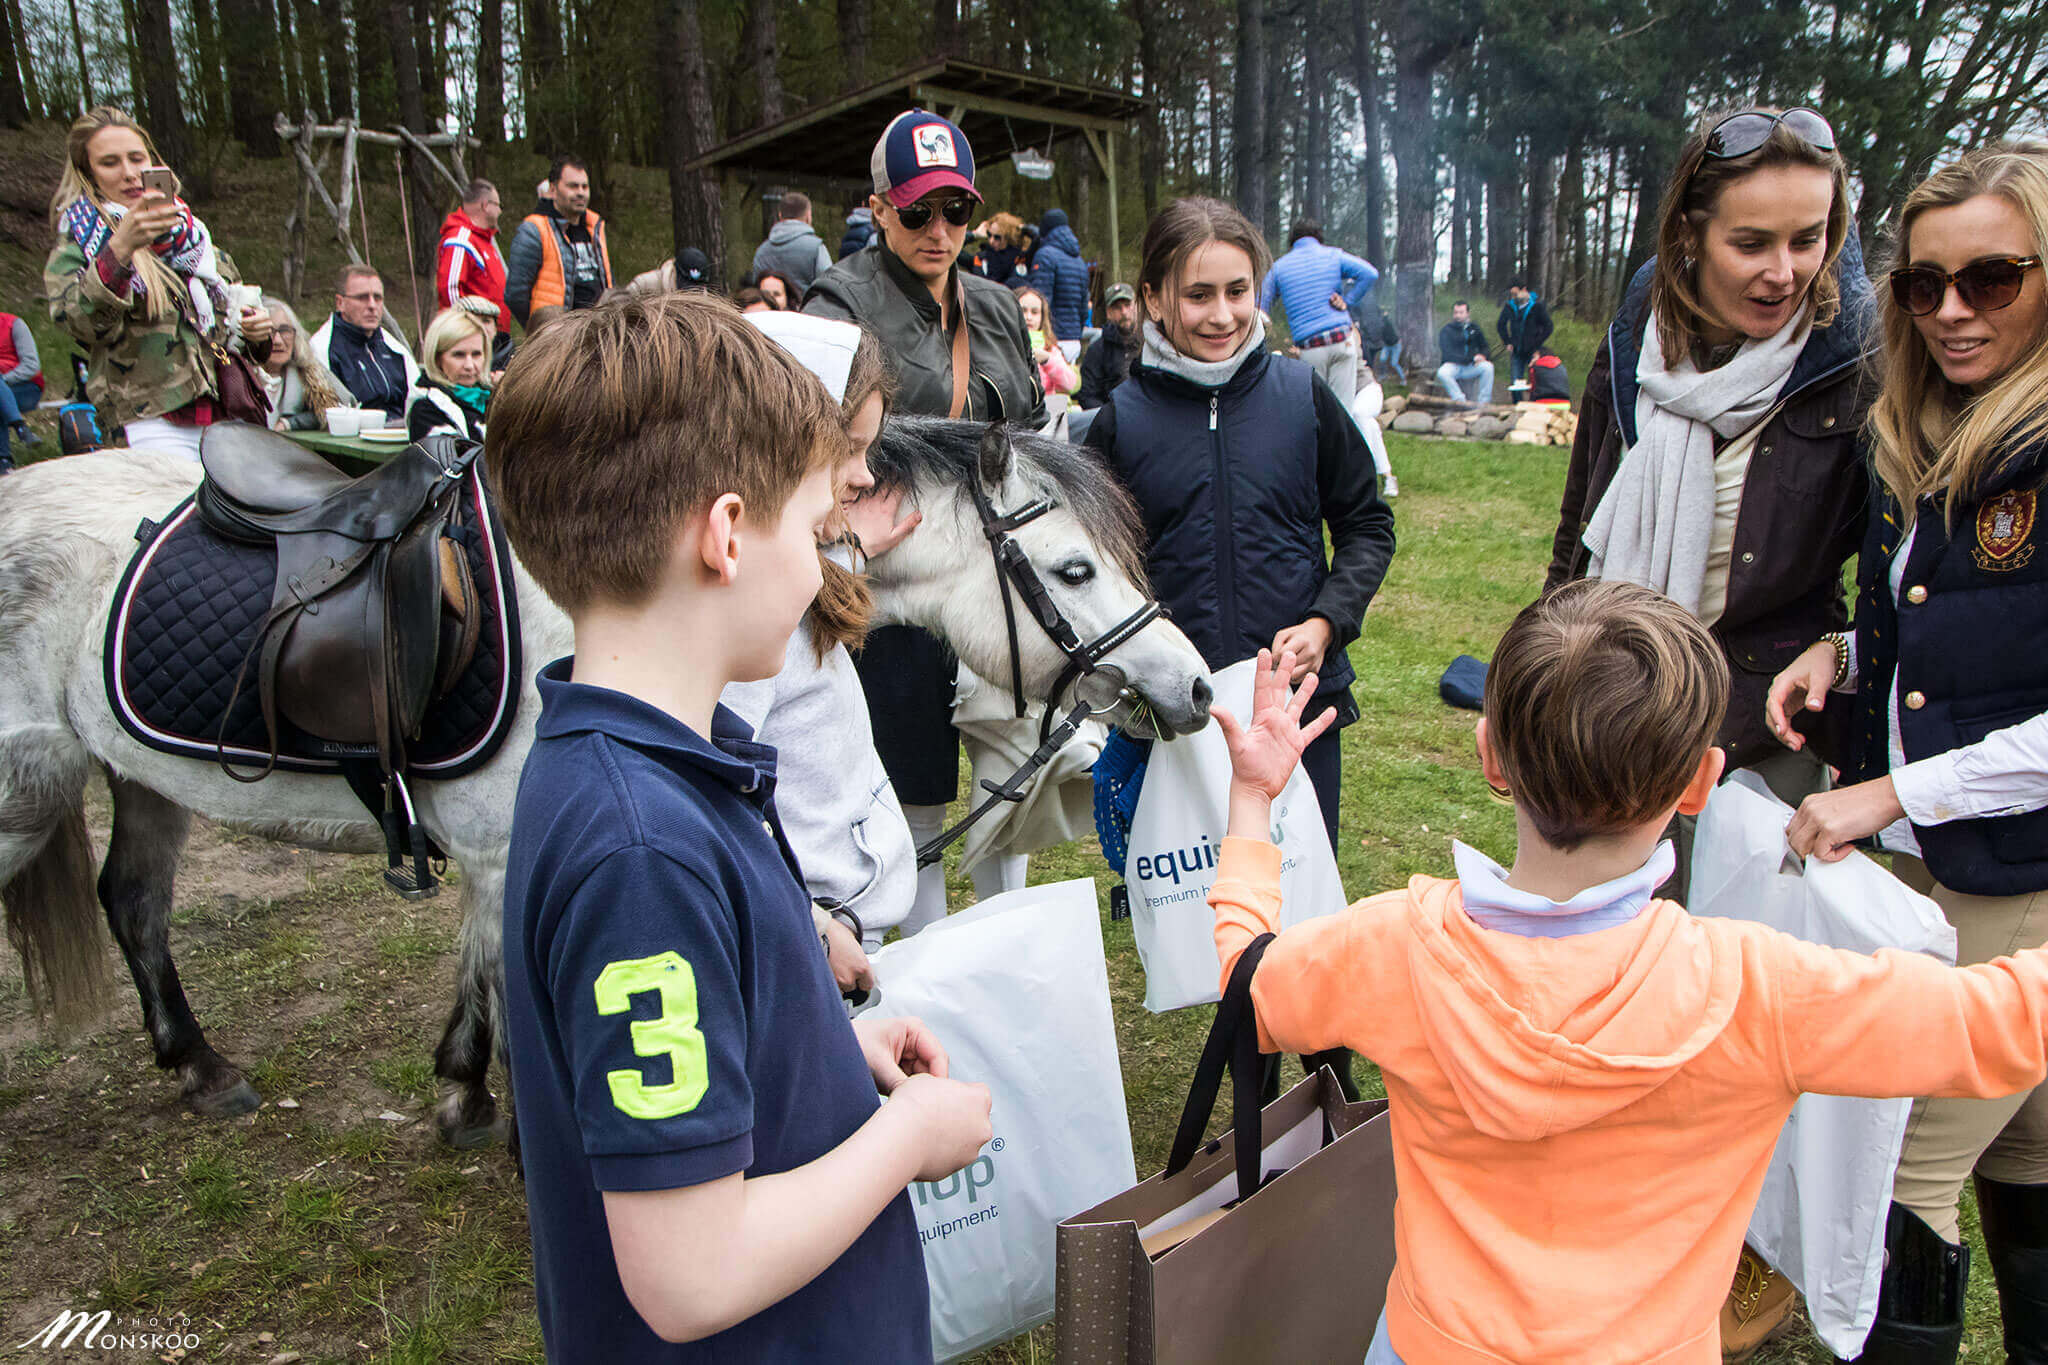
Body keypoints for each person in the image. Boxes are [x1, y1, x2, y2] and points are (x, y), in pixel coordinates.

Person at [1205, 578, 2048, 1365]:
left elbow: (1249, 975)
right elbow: (2005, 1019)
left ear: (1491, 758)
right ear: (1699, 785)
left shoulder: (1388, 944)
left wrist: (1253, 795)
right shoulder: (1764, 988)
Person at [489, 290, 992, 1362]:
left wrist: (819, 1048)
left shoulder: (644, 764)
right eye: (816, 529)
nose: (824, 565)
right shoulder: (639, 853)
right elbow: (689, 1272)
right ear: (725, 535)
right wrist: (904, 1139)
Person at [1763, 142, 2048, 1362]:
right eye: (1923, 285)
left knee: (1899, 1168)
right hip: (1946, 865)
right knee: (2027, 1150)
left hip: (2019, 874)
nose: (1947, 311)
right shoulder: (1922, 429)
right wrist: (1843, 644)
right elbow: (1944, 618)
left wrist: (1888, 790)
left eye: (1990, 279)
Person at [1084, 195, 1395, 1099]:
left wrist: (1328, 617)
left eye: (1238, 291)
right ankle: (1253, 1106)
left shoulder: (1302, 396)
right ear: (1151, 298)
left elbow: (1367, 523)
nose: (1221, 315)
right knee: (1223, 918)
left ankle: (1330, 1091)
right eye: (1197, 295)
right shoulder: (1122, 421)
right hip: (1185, 721)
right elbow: (1104, 574)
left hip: (1295, 715)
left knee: (1304, 911)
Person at [1547, 105, 1874, 905]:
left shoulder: (1858, 358)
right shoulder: (1637, 333)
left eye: (1809, 239)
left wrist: (1841, 648)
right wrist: (1547, 683)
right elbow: (1577, 528)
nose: (1787, 271)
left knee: (1744, 976)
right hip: (1616, 706)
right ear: (1691, 233)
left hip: (1764, 731)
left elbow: (1902, 575)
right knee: (1612, 955)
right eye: (1752, 242)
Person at [805, 108, 1046, 931]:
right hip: (897, 577)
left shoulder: (996, 306)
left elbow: (1033, 427)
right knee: (912, 784)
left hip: (996, 574)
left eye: (956, 210)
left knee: (1008, 766)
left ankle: (1005, 940)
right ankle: (928, 954)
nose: (938, 230)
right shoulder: (837, 302)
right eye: (916, 212)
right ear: (878, 209)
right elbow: (812, 447)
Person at [724, 313, 923, 990]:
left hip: (835, 938)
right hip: (809, 953)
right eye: (852, 448)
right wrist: (809, 921)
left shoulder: (798, 569)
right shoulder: (751, 610)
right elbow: (716, 790)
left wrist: (846, 546)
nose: (866, 475)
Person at [44, 105, 274, 461]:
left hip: (225, 414)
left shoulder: (195, 239)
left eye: (137, 158)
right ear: (88, 172)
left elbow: (232, 331)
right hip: (148, 421)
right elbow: (77, 323)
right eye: (110, 163)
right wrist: (120, 249)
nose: (130, 173)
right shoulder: (80, 238)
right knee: (177, 517)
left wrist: (258, 335)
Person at [1260, 219, 1378, 407]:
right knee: (1343, 411)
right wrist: (1347, 300)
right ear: (1319, 238)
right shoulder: (1333, 256)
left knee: (1318, 410)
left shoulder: (1279, 268)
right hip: (1342, 340)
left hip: (1310, 347)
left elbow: (1261, 306)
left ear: (1292, 242)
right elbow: (1370, 273)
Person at [504, 156, 612, 327]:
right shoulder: (534, 229)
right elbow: (515, 295)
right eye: (572, 186)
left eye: (585, 186)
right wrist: (541, 331)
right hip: (557, 338)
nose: (580, 192)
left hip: (597, 331)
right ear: (553, 189)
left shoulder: (595, 226)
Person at [309, 264, 419, 426]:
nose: (372, 305)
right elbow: (331, 412)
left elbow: (418, 397)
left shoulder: (394, 348)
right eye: (362, 297)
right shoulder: (322, 348)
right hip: (353, 440)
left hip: (404, 433)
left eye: (378, 298)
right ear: (340, 303)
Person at [436, 178, 508, 366]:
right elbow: (450, 289)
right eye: (498, 205)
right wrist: (466, 331)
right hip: (474, 340)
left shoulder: (483, 240)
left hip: (493, 336)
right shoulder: (461, 239)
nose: (500, 211)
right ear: (485, 205)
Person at [255, 296, 346, 432]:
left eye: (284, 330)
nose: (278, 340)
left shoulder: (309, 372)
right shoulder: (243, 377)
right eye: (269, 331)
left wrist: (290, 423)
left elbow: (341, 409)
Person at [407, 304, 492, 442]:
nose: (470, 365)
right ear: (437, 358)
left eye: (476, 354)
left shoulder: (492, 398)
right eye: (459, 355)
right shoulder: (426, 408)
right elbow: (456, 461)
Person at [1027, 208, 1089, 361]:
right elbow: (1083, 307)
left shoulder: (1045, 256)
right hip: (1074, 341)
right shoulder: (1079, 261)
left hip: (1053, 341)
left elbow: (1041, 300)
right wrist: (1077, 334)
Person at [751, 191, 834, 296]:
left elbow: (757, 290)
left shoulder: (761, 251)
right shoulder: (816, 248)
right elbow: (829, 286)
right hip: (807, 311)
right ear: (808, 215)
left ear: (780, 215)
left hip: (771, 311)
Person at [1076, 281, 1139, 410]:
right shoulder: (1097, 350)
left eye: (1127, 305)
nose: (1124, 312)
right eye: (1117, 307)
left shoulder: (1151, 343)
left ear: (1137, 306)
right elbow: (1087, 395)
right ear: (1109, 312)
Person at [1015, 285, 1078, 399]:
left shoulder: (1049, 348)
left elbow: (1070, 385)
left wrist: (1047, 360)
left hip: (1048, 410)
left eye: (1035, 312)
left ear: (1042, 317)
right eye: (1023, 311)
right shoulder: (1004, 345)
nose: (1028, 317)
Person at [1347, 354, 1397, 498]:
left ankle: (1364, 476)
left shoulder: (1346, 341)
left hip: (1369, 391)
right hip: (1351, 399)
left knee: (1359, 414)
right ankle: (1387, 477)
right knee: (1371, 428)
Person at [0, 306, 44, 463]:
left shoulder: (14, 324)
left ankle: (4, 461)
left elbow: (31, 366)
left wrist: (3, 381)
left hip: (27, 387)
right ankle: (21, 429)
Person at [1497, 278, 1555, 384]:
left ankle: (1534, 401)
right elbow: (1500, 325)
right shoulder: (1509, 306)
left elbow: (1549, 326)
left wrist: (1537, 343)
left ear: (1524, 290)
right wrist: (1508, 342)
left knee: (1536, 382)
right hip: (1516, 351)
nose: (1513, 297)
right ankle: (1517, 401)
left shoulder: (1537, 306)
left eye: (1515, 294)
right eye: (1512, 295)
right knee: (1515, 384)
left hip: (1533, 351)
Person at [1435, 300, 1495, 403]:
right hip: (1454, 366)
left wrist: (1483, 356)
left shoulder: (1474, 328)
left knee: (1488, 367)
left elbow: (1485, 346)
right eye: (1456, 312)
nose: (1458, 315)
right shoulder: (1446, 330)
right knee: (1442, 373)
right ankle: (1460, 400)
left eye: (1461, 312)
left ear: (1467, 313)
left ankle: (1484, 402)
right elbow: (1447, 354)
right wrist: (1472, 358)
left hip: (1471, 366)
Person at [973, 211, 1030, 286]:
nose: (991, 241)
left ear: (1008, 238)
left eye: (997, 237)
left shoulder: (1018, 259)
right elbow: (957, 253)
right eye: (989, 235)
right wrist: (973, 235)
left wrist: (1026, 229)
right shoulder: (982, 257)